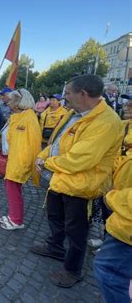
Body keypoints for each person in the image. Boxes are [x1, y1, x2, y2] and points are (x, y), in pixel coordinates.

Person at [31, 75, 123, 288]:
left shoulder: (106, 122)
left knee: (76, 230)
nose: (64, 98)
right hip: (61, 180)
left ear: (83, 94)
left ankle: (72, 270)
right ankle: (54, 247)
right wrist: (43, 155)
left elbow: (80, 160)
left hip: (81, 186)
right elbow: (57, 141)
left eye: (68, 93)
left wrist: (47, 163)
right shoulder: (75, 113)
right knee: (54, 216)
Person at [94, 94, 132, 302]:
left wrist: (112, 197)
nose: (127, 104)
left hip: (125, 217)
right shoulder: (123, 126)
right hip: (116, 197)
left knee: (108, 273)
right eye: (127, 100)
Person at [0, 89, 42, 230]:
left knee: (13, 189)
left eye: (11, 100)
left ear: (19, 101)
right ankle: (13, 216)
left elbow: (34, 143)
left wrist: (28, 165)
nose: (8, 102)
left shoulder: (28, 117)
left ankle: (16, 220)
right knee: (11, 189)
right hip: (13, 159)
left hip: (19, 161)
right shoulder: (18, 116)